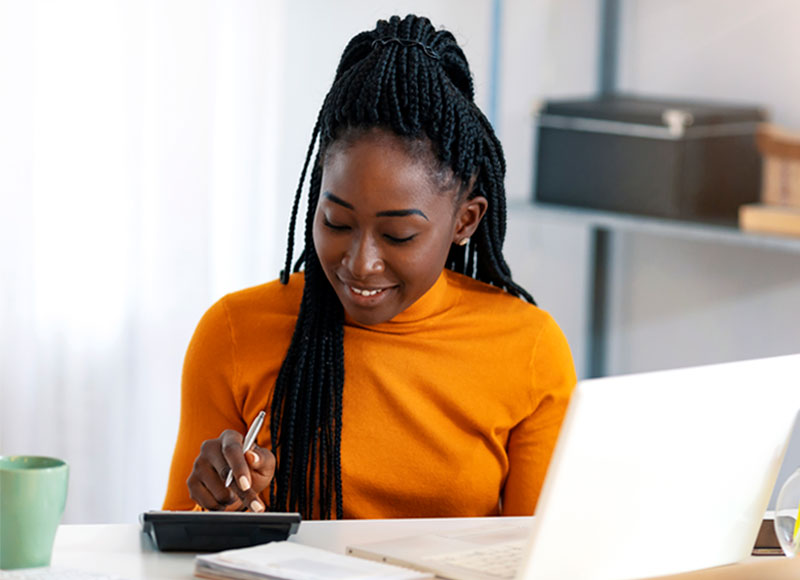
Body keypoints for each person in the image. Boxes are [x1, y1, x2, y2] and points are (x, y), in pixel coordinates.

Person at [163, 14, 576, 520]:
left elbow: (545, 558)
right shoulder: (233, 332)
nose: (360, 263)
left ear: (465, 221)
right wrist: (225, 507)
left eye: (398, 234)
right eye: (337, 223)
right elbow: (177, 554)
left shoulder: (528, 351)